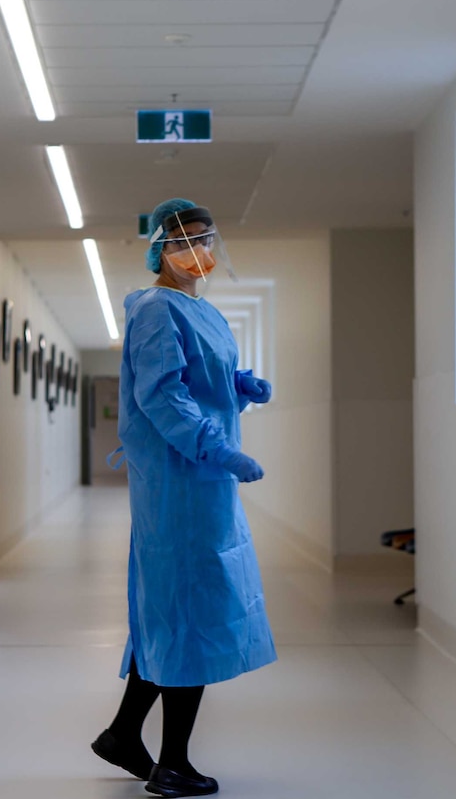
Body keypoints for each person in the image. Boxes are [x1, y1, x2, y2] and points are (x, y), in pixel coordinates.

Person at [92, 198, 277, 798]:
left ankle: (123, 733)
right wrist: (216, 448)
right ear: (158, 251)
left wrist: (238, 386)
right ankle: (173, 764)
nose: (197, 251)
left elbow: (205, 383)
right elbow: (164, 398)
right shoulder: (152, 309)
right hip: (179, 482)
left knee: (172, 613)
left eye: (205, 239)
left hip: (203, 483)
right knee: (186, 613)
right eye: (182, 242)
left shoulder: (206, 312)